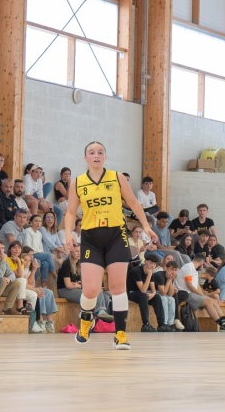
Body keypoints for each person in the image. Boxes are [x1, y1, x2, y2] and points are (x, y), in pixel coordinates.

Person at [64, 140, 157, 350]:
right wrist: (68, 234)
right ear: (85, 157)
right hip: (91, 238)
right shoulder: (78, 182)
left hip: (116, 235)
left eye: (100, 152)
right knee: (91, 290)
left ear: (105, 157)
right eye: (91, 152)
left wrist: (145, 226)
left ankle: (120, 334)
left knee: (117, 287)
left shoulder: (117, 177)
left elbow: (133, 202)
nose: (96, 155)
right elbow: (70, 212)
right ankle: (86, 321)